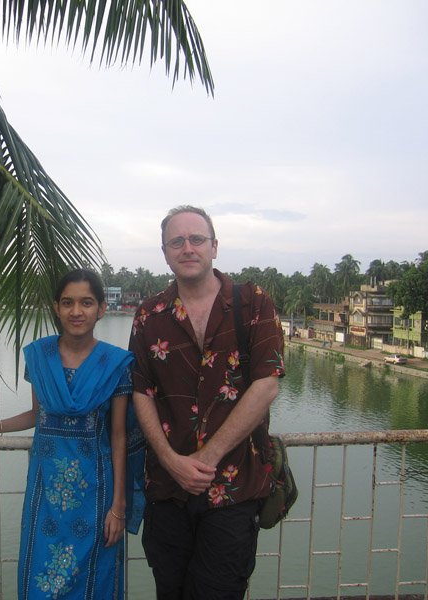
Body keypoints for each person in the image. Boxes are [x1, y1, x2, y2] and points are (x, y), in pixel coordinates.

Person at [128, 206, 285, 599]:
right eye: (176, 241)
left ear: (214, 247)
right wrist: (170, 460)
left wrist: (207, 459)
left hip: (231, 486)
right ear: (165, 253)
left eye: (197, 239)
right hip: (167, 488)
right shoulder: (150, 315)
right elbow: (140, 391)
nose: (187, 248)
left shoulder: (252, 303)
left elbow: (267, 385)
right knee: (171, 590)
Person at [0, 269, 144, 599]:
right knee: (41, 580)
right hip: (46, 493)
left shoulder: (115, 363)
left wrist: (119, 506)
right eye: (68, 303)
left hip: (97, 495)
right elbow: (37, 415)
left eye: (86, 303)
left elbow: (118, 436)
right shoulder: (40, 357)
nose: (77, 311)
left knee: (97, 580)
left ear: (101, 309)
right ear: (56, 307)